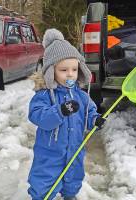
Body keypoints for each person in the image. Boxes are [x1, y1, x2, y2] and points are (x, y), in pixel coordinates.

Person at [27, 28, 106, 200]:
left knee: (73, 180)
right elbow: (38, 116)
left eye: (74, 69)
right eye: (63, 70)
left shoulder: (82, 97)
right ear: (51, 71)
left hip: (75, 150)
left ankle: (69, 195)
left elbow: (89, 114)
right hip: (50, 154)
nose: (70, 74)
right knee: (44, 184)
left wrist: (95, 120)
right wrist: (60, 110)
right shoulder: (44, 95)